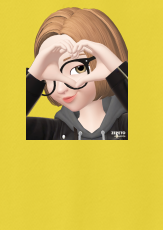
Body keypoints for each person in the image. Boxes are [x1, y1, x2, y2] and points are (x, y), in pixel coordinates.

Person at [25, 7, 128, 139]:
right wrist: (34, 75)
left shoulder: (127, 127)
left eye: (78, 68)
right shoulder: (51, 132)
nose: (61, 89)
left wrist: (117, 71)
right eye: (50, 77)